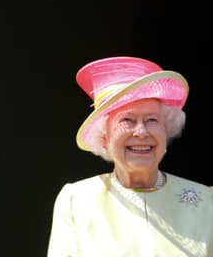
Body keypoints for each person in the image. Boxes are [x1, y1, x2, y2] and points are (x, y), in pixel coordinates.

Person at [47, 56, 213, 256]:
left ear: (166, 129)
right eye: (127, 120)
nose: (141, 132)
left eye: (152, 120)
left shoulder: (206, 201)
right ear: (104, 136)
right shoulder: (77, 200)